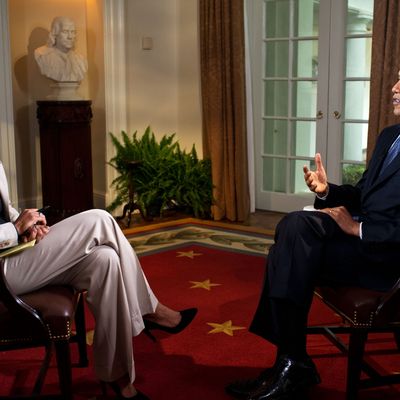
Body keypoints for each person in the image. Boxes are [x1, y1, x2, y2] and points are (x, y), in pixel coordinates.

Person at [226, 71, 400, 400]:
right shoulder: (390, 136)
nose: (393, 88)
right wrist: (326, 191)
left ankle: (291, 362)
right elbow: (363, 194)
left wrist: (358, 228)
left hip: (387, 261)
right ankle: (291, 362)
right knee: (294, 228)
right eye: (397, 79)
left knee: (290, 245)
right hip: (360, 246)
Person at [0, 162, 197, 399]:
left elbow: (4, 210)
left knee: (106, 261)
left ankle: (118, 377)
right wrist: (14, 229)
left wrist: (27, 224)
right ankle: (150, 310)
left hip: (11, 253)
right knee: (101, 219)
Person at [34, 16, 88, 82]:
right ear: (55, 34)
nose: (70, 37)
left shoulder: (80, 60)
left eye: (73, 32)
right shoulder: (42, 55)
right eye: (65, 31)